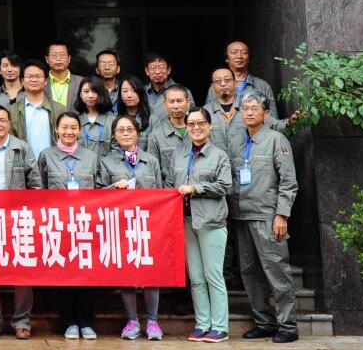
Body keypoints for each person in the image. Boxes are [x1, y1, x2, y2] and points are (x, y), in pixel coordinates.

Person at [230, 91, 299, 344]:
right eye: (245, 108)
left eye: (254, 108)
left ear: (266, 113)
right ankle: (263, 323)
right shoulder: (237, 142)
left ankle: (288, 325)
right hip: (241, 216)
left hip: (267, 216)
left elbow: (288, 181)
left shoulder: (276, 139)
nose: (249, 112)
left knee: (276, 271)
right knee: (250, 274)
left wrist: (282, 214)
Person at [0, 105, 42, 339]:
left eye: (2, 120)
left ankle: (22, 321)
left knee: (21, 270)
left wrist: (28, 213)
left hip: (17, 217)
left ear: (10, 124)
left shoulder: (22, 148)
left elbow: (36, 184)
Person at [169, 107, 233, 343]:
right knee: (195, 277)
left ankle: (220, 326)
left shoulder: (219, 155)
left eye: (201, 123)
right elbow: (170, 183)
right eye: (191, 124)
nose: (196, 128)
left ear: (210, 126)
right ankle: (203, 323)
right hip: (185, 221)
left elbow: (225, 185)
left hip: (211, 221)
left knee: (213, 275)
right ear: (186, 128)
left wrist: (196, 188)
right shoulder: (178, 155)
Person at [97, 116, 164, 341]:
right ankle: (132, 321)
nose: (126, 133)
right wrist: (113, 188)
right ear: (114, 135)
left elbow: (161, 191)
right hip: (121, 225)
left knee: (151, 272)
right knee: (126, 272)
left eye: (130, 129)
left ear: (137, 133)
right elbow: (98, 193)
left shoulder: (151, 160)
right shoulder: (107, 162)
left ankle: (153, 321)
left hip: (148, 223)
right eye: (121, 130)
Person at [38, 111, 99, 340]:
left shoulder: (91, 157)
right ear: (56, 129)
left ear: (79, 130)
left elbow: (99, 188)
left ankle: (86, 322)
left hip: (85, 223)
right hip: (59, 223)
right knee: (64, 273)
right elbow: (40, 188)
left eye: (73, 127)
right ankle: (69, 322)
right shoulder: (46, 156)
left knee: (86, 274)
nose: (69, 132)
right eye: (64, 127)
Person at [206, 40, 281, 123]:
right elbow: (207, 117)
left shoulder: (263, 86)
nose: (239, 56)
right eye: (234, 52)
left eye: (244, 52)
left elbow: (273, 119)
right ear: (226, 58)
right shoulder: (215, 88)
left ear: (249, 58)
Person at [12, 59, 66, 159]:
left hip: (53, 164)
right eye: (30, 76)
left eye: (38, 76)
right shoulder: (12, 111)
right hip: (24, 164)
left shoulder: (60, 109)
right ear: (22, 81)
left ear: (45, 81)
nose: (34, 80)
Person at [147, 85, 191, 183]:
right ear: (165, 104)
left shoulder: (198, 131)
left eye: (179, 101)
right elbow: (153, 170)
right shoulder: (156, 136)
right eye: (171, 101)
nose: (176, 106)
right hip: (169, 189)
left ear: (188, 102)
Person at [143, 52, 193, 121]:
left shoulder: (183, 91)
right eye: (153, 68)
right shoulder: (141, 92)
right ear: (147, 71)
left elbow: (191, 117)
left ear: (168, 70)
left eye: (161, 67)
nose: (157, 72)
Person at [73, 75, 115, 156]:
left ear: (101, 94)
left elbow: (117, 150)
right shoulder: (75, 120)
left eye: (94, 91)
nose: (90, 96)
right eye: (86, 91)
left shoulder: (112, 120)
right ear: (80, 94)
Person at [117, 75, 153, 142]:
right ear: (120, 95)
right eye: (125, 91)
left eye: (134, 91)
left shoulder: (152, 119)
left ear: (140, 93)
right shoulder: (115, 118)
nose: (129, 95)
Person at [44, 42, 80, 108]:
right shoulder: (39, 82)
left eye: (62, 55)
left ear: (69, 58)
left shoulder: (82, 82)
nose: (58, 59)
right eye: (54, 55)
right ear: (47, 59)